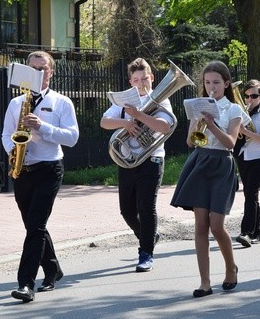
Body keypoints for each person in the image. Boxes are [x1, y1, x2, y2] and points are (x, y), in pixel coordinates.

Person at [3, 51, 79, 302]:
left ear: (51, 72)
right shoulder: (16, 103)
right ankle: (53, 268)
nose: (38, 72)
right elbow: (6, 134)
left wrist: (42, 127)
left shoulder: (61, 102)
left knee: (35, 225)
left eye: (43, 68)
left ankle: (26, 284)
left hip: (49, 168)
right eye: (33, 68)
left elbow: (71, 138)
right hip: (22, 169)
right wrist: (14, 151)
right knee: (33, 225)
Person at [170, 61, 241, 297]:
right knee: (200, 225)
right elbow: (190, 142)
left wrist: (212, 124)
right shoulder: (198, 106)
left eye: (217, 83)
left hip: (222, 163)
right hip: (200, 162)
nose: (212, 87)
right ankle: (205, 282)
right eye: (208, 82)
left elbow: (230, 142)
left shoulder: (233, 110)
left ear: (226, 83)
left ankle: (230, 268)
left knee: (217, 225)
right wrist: (197, 122)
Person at [100, 58, 174, 272]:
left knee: (146, 207)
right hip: (128, 160)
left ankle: (146, 253)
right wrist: (126, 123)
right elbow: (104, 122)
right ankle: (148, 236)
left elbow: (165, 126)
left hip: (151, 160)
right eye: (136, 79)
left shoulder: (161, 100)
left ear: (151, 78)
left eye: (144, 78)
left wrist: (139, 115)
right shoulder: (124, 101)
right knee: (127, 211)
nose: (140, 83)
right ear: (130, 81)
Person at [234, 80, 260, 247]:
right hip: (243, 155)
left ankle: (246, 232)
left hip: (259, 157)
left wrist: (245, 131)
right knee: (250, 195)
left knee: (251, 193)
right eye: (247, 96)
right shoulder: (241, 112)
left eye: (254, 96)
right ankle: (257, 231)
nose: (250, 99)